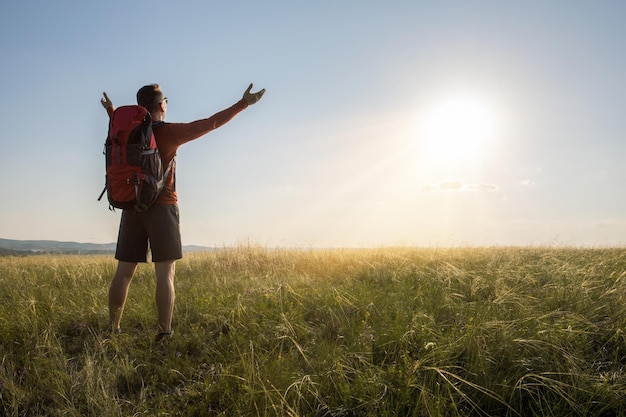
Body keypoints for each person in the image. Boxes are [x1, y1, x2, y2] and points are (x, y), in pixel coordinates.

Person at [100, 83, 265, 340]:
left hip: (131, 206)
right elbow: (210, 123)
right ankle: (164, 334)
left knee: (123, 272)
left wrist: (111, 111)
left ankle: (113, 329)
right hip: (163, 208)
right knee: (165, 274)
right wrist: (243, 104)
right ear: (162, 105)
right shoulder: (171, 132)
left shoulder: (127, 131)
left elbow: (121, 132)